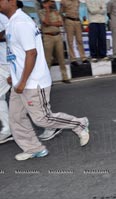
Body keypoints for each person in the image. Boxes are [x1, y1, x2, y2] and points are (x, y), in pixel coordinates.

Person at [0, 0, 90, 161]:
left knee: (42, 118)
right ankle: (34, 148)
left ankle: (79, 123)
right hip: (19, 81)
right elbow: (17, 53)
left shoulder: (21, 22)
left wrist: (21, 82)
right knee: (15, 117)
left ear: (12, 2)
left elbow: (31, 53)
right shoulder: (12, 22)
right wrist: (13, 76)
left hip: (33, 82)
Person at [39, 0, 71, 84]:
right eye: (51, 2)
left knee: (61, 58)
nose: (52, 3)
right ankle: (46, 79)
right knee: (48, 59)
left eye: (53, 2)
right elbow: (45, 22)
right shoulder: (41, 12)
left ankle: (65, 77)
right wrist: (47, 10)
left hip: (57, 36)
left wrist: (51, 23)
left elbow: (60, 23)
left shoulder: (56, 12)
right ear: (45, 3)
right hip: (48, 37)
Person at [60, 0, 89, 66]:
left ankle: (83, 58)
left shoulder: (77, 1)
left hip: (77, 21)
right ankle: (73, 59)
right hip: (69, 20)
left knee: (80, 40)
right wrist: (64, 21)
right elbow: (61, 12)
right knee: (70, 41)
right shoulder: (64, 1)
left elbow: (78, 11)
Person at [0, 13, 13, 144]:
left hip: (8, 63)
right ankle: (7, 129)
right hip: (2, 63)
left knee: (26, 94)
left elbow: (6, 35)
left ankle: (48, 123)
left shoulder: (2, 18)